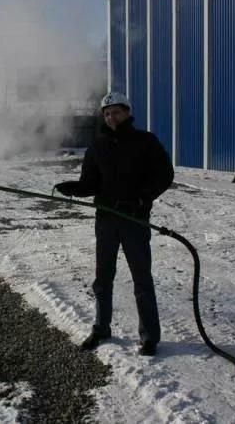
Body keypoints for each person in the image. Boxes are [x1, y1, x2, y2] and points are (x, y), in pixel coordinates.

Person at [54, 92, 174, 356]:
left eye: (116, 112)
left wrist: (144, 197)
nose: (111, 117)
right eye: (107, 113)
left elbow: (165, 174)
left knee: (141, 277)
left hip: (134, 220)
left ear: (128, 112)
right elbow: (90, 184)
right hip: (106, 219)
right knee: (103, 277)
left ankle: (150, 336)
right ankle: (101, 328)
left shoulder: (146, 142)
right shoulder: (97, 146)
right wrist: (72, 188)